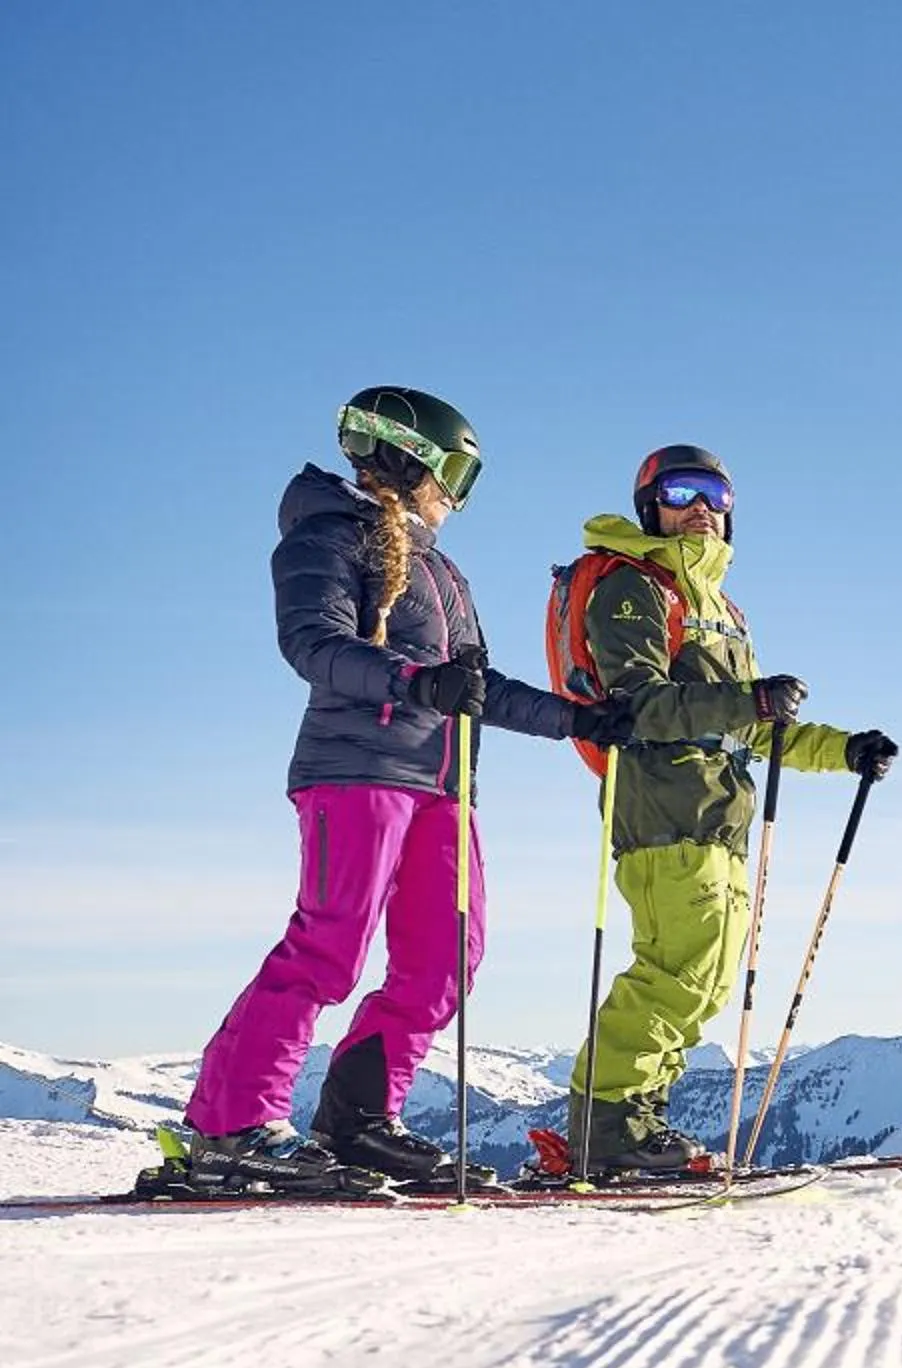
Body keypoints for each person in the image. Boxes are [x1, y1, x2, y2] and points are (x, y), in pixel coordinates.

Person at [182, 388, 630, 1189]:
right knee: (330, 945)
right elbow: (314, 643)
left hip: (445, 785)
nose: (457, 495)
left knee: (446, 959)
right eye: (454, 473)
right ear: (406, 459)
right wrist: (416, 683)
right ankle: (233, 1124)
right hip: (357, 770)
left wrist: (576, 719)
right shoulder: (327, 534)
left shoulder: (441, 570)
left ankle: (359, 1119)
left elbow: (476, 686)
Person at [563, 445, 897, 1173]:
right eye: (682, 492)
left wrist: (844, 750)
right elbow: (640, 705)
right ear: (650, 506)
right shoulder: (633, 586)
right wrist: (750, 700)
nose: (701, 509)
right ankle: (604, 1124)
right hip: (665, 808)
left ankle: (634, 1118)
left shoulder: (720, 609)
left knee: (708, 978)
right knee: (676, 971)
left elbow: (756, 727)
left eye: (716, 496)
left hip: (719, 815)